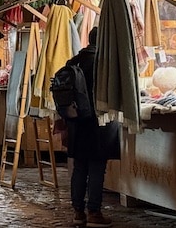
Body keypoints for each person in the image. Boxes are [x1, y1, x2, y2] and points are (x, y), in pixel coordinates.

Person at [66, 27, 113, 227]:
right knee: (96, 167)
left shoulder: (73, 62)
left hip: (76, 122)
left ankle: (78, 212)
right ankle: (94, 212)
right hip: (99, 122)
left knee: (79, 167)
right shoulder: (105, 63)